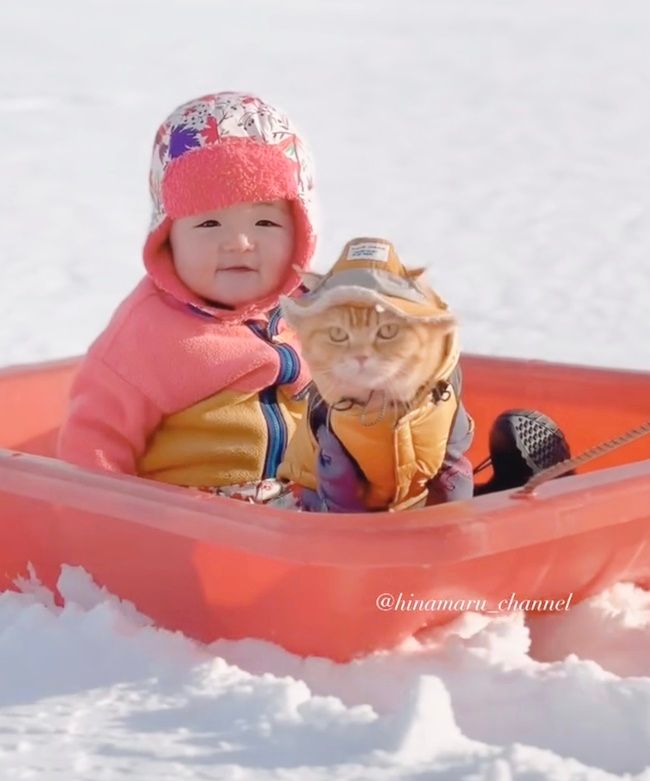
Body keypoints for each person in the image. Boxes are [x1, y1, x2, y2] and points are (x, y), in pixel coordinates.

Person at [57, 91, 317, 502]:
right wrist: (104, 537)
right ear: (168, 237)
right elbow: (93, 448)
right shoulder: (146, 335)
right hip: (189, 533)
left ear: (300, 233)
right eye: (210, 222)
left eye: (266, 221)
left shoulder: (314, 313)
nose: (239, 242)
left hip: (306, 519)